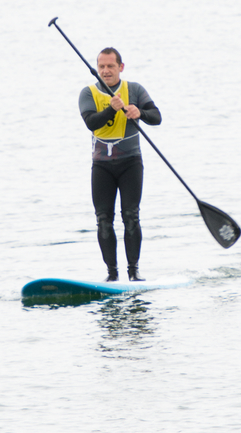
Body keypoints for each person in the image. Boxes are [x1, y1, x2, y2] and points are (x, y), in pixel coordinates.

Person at [78, 48, 162, 282]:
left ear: (120, 67)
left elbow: (156, 117)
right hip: (102, 166)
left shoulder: (134, 89)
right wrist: (110, 108)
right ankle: (112, 275)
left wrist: (140, 112)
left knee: (130, 216)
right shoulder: (88, 93)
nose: (105, 71)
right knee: (103, 218)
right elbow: (91, 122)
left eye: (110, 66)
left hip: (131, 163)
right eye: (102, 66)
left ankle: (133, 272)